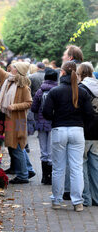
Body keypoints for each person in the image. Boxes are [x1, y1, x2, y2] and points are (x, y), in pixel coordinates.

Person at [43, 61, 94, 212]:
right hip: (77, 130)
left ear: (63, 73)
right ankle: (78, 202)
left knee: (58, 168)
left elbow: (46, 112)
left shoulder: (55, 92)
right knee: (76, 167)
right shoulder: (82, 92)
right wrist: (81, 123)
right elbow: (90, 114)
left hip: (59, 129)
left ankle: (57, 200)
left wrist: (55, 119)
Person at [0, 52, 36, 184]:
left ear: (18, 71)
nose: (10, 67)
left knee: (17, 146)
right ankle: (27, 170)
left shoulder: (23, 87)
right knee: (17, 147)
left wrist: (15, 106)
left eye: (14, 67)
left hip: (17, 120)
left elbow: (29, 103)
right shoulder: (8, 79)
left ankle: (23, 176)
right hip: (7, 118)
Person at [62, 45, 84, 200]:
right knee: (78, 163)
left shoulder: (70, 71)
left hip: (69, 124)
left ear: (70, 57)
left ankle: (68, 192)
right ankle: (80, 195)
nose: (63, 56)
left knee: (70, 163)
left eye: (65, 54)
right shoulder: (83, 68)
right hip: (81, 124)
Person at [31, 68, 58, 184]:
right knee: (51, 150)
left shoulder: (40, 91)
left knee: (43, 150)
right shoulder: (58, 90)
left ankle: (44, 177)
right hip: (54, 123)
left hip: (41, 124)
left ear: (45, 78)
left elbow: (33, 108)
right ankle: (51, 177)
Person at [77, 62, 98, 206]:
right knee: (95, 165)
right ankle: (97, 198)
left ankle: (86, 198)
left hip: (84, 131)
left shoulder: (80, 89)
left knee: (82, 164)